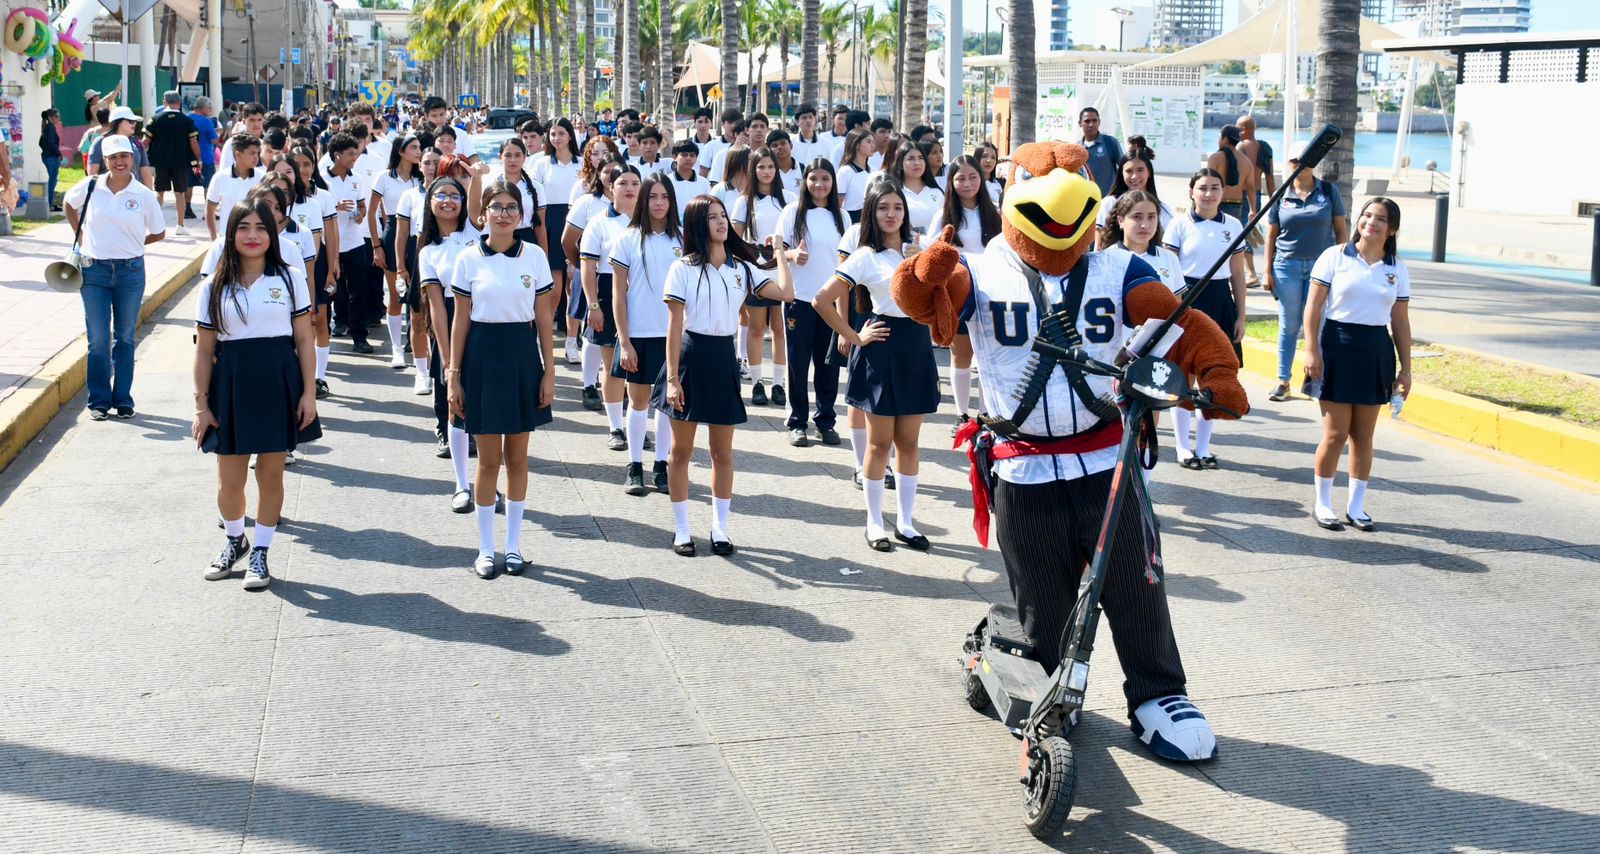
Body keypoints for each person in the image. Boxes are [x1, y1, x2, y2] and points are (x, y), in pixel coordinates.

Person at [894, 141, 1246, 763]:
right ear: (1011, 194)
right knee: (1045, 602)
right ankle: (1053, 684)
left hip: (1108, 464)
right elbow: (925, 306)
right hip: (1021, 465)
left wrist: (1214, 371)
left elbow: (1178, 323)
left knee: (1137, 587)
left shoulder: (1120, 269)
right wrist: (924, 272)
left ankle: (1158, 692)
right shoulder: (979, 268)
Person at [655, 195, 795, 557]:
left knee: (722, 452)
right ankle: (682, 529)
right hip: (688, 357)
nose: (721, 223)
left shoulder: (742, 268)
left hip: (723, 358)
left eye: (723, 216)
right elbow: (673, 327)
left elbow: (786, 292)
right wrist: (672, 379)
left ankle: (720, 528)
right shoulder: (682, 268)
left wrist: (782, 254)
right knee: (681, 452)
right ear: (698, 224)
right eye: (713, 217)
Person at [193, 198, 320, 591]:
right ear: (231, 234)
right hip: (230, 381)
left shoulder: (290, 278)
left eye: (261, 227)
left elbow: (304, 339)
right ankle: (236, 540)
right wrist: (201, 404)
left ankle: (262, 552)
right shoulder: (213, 284)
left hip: (278, 380)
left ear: (273, 233)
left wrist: (308, 395)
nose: (252, 235)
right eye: (243, 227)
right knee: (228, 482)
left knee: (270, 473)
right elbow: (202, 349)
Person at [813, 180, 940, 551]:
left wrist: (922, 261)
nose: (891, 214)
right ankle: (874, 522)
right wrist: (854, 338)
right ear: (872, 212)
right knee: (880, 444)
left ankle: (905, 521)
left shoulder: (920, 252)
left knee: (910, 442)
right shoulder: (865, 256)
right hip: (881, 346)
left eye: (897, 208)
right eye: (883, 207)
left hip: (916, 347)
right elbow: (821, 300)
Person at [446, 178, 557, 579]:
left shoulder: (535, 257)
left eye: (512, 207)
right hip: (480, 357)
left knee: (518, 457)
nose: (505, 214)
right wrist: (453, 374)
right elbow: (460, 321)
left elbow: (544, 318)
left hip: (522, 356)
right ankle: (486, 548)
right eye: (497, 207)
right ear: (483, 213)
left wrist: (550, 369)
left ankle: (513, 546)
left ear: (521, 215)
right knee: (488, 459)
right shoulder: (467, 259)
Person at [1302, 197, 1412, 532]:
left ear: (1391, 229)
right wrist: (1311, 350)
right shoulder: (1334, 256)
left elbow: (1401, 322)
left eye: (1380, 219)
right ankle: (1323, 503)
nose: (1371, 223)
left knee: (1363, 436)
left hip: (1376, 350)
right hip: (1336, 346)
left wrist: (1406, 369)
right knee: (1335, 434)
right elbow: (1313, 307)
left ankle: (1357, 506)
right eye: (1367, 216)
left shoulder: (1397, 268)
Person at [62, 134, 167, 421]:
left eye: (125, 157)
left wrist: (133, 244)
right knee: (97, 338)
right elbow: (69, 204)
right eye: (113, 157)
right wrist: (80, 236)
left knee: (124, 337)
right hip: (93, 271)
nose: (120, 162)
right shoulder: (91, 185)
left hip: (130, 273)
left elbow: (159, 232)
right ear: (105, 161)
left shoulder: (144, 195)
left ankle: (123, 399)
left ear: (133, 159)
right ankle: (98, 401)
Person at [1162, 168, 1248, 470]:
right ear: (1191, 192)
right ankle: (1183, 447)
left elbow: (1238, 273)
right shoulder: (1179, 225)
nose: (1209, 194)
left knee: (1212, 377)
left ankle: (1203, 446)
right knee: (1182, 376)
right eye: (1202, 188)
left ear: (1223, 192)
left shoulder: (1234, 224)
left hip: (1221, 301)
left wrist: (1240, 314)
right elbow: (1168, 270)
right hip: (1186, 301)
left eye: (1215, 187)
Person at [610, 172, 682, 494]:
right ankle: (635, 464)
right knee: (638, 401)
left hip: (673, 333)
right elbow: (618, 294)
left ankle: (661, 464)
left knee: (668, 403)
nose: (659, 203)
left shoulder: (683, 240)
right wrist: (624, 340)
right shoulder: (627, 239)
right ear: (643, 200)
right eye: (653, 196)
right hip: (638, 332)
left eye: (664, 197)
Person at [416, 174, 484, 504]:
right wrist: (447, 358)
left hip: (483, 316)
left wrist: (475, 180)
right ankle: (449, 434)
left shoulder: (475, 232)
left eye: (454, 195)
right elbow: (436, 307)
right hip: (447, 317)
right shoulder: (429, 251)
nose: (448, 201)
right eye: (440, 195)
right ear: (429, 204)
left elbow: (476, 201)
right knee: (448, 384)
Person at [928, 154, 1003, 432]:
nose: (968, 183)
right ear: (951, 182)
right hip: (957, 290)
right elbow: (930, 249)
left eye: (973, 177)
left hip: (990, 290)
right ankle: (961, 414)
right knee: (960, 354)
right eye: (960, 178)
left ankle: (986, 414)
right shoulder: (944, 215)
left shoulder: (994, 212)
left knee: (986, 355)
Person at [1265, 156, 1349, 401]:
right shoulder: (1282, 193)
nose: (1299, 165)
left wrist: (1344, 265)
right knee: (1289, 324)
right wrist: (1267, 271)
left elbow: (1341, 229)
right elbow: (1271, 235)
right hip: (1286, 266)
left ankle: (1316, 380)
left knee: (1318, 324)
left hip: (1320, 267)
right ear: (1288, 164)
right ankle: (1283, 380)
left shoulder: (1327, 191)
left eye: (1305, 160)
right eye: (1294, 161)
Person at [777, 158, 847, 448]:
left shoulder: (842, 216)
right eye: (813, 178)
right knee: (798, 362)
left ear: (833, 182)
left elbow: (847, 263)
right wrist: (794, 255)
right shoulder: (793, 212)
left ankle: (825, 420)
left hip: (829, 302)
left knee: (827, 364)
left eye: (825, 179)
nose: (819, 184)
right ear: (805, 182)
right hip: (800, 301)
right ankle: (797, 422)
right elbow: (777, 250)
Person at [579, 164, 644, 451]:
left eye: (635, 182)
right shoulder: (599, 221)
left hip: (641, 294)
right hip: (607, 292)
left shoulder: (650, 221)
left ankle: (637, 423)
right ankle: (616, 426)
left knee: (640, 366)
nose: (629, 188)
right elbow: (588, 267)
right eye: (623, 182)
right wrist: (593, 305)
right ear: (611, 187)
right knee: (613, 366)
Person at [563, 147, 623, 406]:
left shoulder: (633, 204)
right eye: (606, 172)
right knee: (593, 332)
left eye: (616, 172)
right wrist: (583, 265)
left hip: (624, 281)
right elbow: (568, 240)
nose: (611, 177)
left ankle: (617, 386)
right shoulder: (587, 202)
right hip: (593, 275)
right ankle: (589, 384)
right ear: (598, 175)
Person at [731, 147, 789, 407]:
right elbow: (734, 238)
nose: (766, 172)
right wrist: (749, 265)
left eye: (770, 167)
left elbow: (796, 235)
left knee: (780, 329)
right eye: (760, 167)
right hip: (755, 268)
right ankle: (756, 383)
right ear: (752, 170)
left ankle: (778, 384)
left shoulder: (788, 199)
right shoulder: (744, 201)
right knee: (755, 328)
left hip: (783, 267)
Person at [369, 134, 425, 368]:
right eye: (413, 147)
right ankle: (396, 349)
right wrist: (376, 246)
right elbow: (372, 213)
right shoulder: (384, 177)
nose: (418, 151)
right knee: (395, 296)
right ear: (400, 151)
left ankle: (420, 349)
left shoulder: (420, 178)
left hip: (418, 235)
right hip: (393, 234)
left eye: (419, 147)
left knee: (419, 298)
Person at [393, 145, 444, 395]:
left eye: (436, 161)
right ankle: (422, 372)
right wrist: (401, 266)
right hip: (417, 252)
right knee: (417, 316)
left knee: (442, 315)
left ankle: (442, 368)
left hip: (442, 251)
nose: (431, 167)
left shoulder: (449, 193)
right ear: (420, 165)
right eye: (427, 162)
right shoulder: (410, 196)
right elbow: (402, 234)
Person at [288, 145, 338, 397]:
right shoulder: (276, 198)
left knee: (319, 320)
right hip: (284, 268)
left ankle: (320, 377)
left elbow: (329, 234)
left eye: (306, 164)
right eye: (295, 165)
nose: (301, 169)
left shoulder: (322, 198)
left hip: (313, 267)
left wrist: (332, 266)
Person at [534, 118, 583, 361]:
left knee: (575, 288)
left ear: (570, 136)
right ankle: (542, 340)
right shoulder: (541, 165)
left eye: (561, 133)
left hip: (577, 224)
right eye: (552, 134)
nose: (556, 138)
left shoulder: (582, 164)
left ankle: (572, 342)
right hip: (551, 224)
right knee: (553, 289)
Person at [323, 133, 374, 353]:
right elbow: (320, 210)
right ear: (337, 156)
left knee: (358, 291)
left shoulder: (356, 179)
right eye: (350, 154)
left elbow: (362, 206)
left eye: (356, 153)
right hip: (330, 243)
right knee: (335, 289)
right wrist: (336, 208)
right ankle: (338, 321)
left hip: (354, 241)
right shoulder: (322, 181)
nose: (355, 158)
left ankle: (359, 336)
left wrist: (360, 214)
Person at [1094, 138, 1173, 246]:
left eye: (1140, 170)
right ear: (1121, 174)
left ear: (1149, 172)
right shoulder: (1109, 203)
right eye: (1129, 171)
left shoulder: (1164, 210)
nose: (1134, 176)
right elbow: (1099, 245)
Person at [144, 91, 201, 232]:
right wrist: (198, 159)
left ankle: (155, 224)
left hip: (160, 162)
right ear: (180, 102)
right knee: (179, 193)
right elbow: (193, 141)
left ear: (164, 102)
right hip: (180, 162)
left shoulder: (156, 119)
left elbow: (146, 141)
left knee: (159, 192)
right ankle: (180, 225)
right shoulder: (187, 120)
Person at [1236, 115, 1275, 287]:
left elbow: (1238, 175)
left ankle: (1251, 274)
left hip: (1244, 195)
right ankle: (1249, 272)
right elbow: (1270, 176)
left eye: (1238, 128)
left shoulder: (1241, 146)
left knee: (1242, 234)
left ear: (1244, 129)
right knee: (1249, 232)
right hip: (1258, 195)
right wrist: (1274, 197)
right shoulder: (1265, 147)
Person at [1206, 125, 1258, 244]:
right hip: (1236, 206)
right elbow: (1250, 187)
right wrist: (1253, 210)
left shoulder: (1215, 158)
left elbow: (1207, 181)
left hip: (1215, 204)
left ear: (1224, 139)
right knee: (1229, 242)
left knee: (1211, 240)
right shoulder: (1246, 162)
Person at [206, 134, 263, 240]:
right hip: (228, 237)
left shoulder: (263, 178)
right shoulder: (220, 178)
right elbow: (210, 209)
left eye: (258, 153)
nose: (256, 157)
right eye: (252, 153)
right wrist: (214, 238)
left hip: (255, 238)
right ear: (238, 155)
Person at [886, 140, 944, 237]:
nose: (917, 163)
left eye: (921, 158)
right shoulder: (894, 193)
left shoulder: (937, 192)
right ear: (900, 164)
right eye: (911, 159)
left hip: (935, 249)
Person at [88, 107, 152, 187]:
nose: (134, 124)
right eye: (131, 121)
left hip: (133, 196)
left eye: (135, 121)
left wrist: (149, 196)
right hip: (107, 195)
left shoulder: (138, 143)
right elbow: (92, 173)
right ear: (118, 122)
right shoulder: (100, 142)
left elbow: (145, 173)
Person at [1077, 107, 1124, 195]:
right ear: (1080, 123)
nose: (1091, 124)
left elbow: (1124, 168)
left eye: (1094, 121)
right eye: (1087, 121)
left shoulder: (1110, 142)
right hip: (1086, 200)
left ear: (1099, 122)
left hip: (1109, 198)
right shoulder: (1076, 148)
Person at [837, 128, 876, 223]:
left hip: (871, 219)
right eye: (868, 142)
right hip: (851, 220)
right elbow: (838, 203)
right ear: (857, 145)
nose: (873, 145)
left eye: (872, 142)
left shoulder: (874, 171)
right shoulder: (845, 171)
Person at [666, 139, 711, 217]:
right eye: (684, 155)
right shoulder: (667, 181)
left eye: (692, 155)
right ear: (675, 157)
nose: (688, 158)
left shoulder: (704, 183)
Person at [189, 97, 220, 207]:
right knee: (208, 184)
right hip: (206, 157)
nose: (211, 110)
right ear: (203, 108)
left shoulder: (187, 118)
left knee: (189, 184)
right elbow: (214, 140)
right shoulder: (207, 121)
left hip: (190, 158)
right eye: (210, 108)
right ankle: (208, 210)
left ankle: (187, 209)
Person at [38, 109, 64, 212]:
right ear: (50, 118)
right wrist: (58, 154)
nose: (58, 119)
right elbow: (51, 144)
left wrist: (46, 151)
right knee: (52, 182)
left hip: (47, 157)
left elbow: (41, 143)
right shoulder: (50, 129)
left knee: (52, 181)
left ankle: (50, 204)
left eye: (59, 117)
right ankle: (49, 205)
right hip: (52, 158)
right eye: (56, 117)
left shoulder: (46, 128)